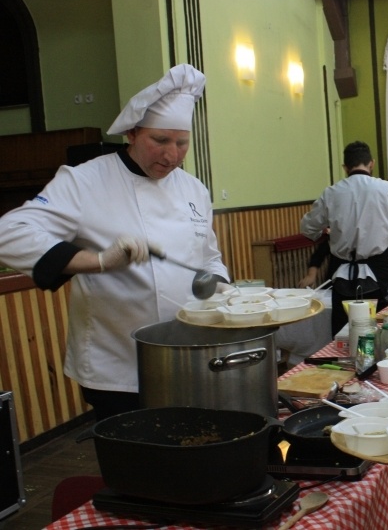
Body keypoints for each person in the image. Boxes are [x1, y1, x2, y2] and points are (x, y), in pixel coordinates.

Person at [0, 64, 230, 421]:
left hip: (189, 357)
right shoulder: (85, 180)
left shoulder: (193, 189)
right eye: (160, 141)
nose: (171, 155)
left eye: (181, 143)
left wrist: (222, 287)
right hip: (118, 367)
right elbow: (9, 233)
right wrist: (98, 261)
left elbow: (210, 258)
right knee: (136, 467)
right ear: (133, 134)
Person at [300, 141, 388, 337]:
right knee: (385, 331)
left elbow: (307, 229)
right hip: (379, 269)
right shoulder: (387, 189)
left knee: (343, 335)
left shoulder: (331, 193)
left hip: (341, 272)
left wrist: (326, 232)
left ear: (345, 167)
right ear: (371, 164)